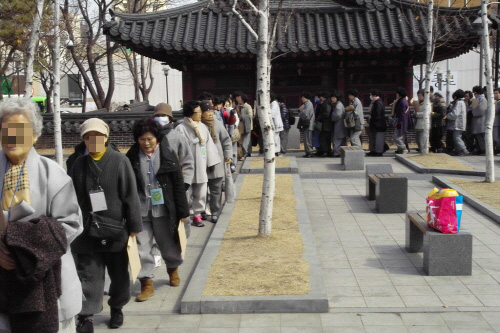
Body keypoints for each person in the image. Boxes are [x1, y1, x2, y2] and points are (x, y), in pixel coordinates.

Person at [0, 98, 83, 332]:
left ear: (35, 136)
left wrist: (19, 250)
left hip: (47, 286)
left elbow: (71, 225)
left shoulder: (54, 175)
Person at [69, 118, 142, 332]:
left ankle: (117, 307)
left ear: (106, 138)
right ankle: (87, 315)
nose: (93, 141)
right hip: (86, 229)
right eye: (88, 137)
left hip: (116, 229)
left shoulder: (120, 161)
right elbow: (70, 197)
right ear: (83, 140)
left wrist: (135, 226)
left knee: (119, 275)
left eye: (98, 137)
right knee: (89, 275)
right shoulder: (78, 164)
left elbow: (131, 196)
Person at [125, 118, 190, 302]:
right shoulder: (131, 156)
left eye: (150, 139)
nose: (146, 143)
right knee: (141, 247)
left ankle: (173, 268)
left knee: (168, 243)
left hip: (163, 208)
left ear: (158, 139)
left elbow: (177, 184)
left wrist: (183, 211)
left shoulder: (168, 154)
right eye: (142, 139)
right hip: (140, 209)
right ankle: (146, 282)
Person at [175, 101, 221, 227]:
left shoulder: (203, 127)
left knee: (201, 191)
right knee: (186, 191)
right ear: (190, 114)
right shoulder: (181, 128)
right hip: (186, 165)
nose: (200, 114)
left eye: (201, 112)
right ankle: (187, 213)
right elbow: (177, 147)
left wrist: (211, 162)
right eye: (197, 112)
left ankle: (197, 214)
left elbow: (209, 146)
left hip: (201, 163)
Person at [200, 101, 233, 223]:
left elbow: (226, 141)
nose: (209, 114)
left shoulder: (217, 124)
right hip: (202, 163)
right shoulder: (197, 125)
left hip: (217, 162)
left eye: (211, 111)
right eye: (206, 111)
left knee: (216, 190)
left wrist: (228, 155)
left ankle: (215, 211)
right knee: (201, 190)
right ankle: (202, 210)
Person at [153, 103, 194, 190]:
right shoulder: (149, 136)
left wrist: (185, 182)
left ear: (169, 118)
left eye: (163, 115)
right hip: (153, 179)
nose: (160, 118)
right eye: (158, 115)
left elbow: (187, 160)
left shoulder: (177, 136)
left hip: (173, 180)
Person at [444, 89, 468, 156]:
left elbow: (455, 114)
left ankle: (464, 149)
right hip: (459, 123)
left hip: (458, 123)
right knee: (457, 137)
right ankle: (459, 150)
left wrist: (447, 116)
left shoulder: (459, 103)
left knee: (456, 137)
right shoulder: (462, 102)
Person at [367, 89, 387, 156]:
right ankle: (374, 150)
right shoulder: (375, 102)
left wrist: (374, 121)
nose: (370, 96)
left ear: (374, 95)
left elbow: (378, 114)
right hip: (376, 124)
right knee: (374, 138)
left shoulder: (378, 102)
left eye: (371, 95)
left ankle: (378, 151)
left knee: (378, 139)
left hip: (378, 124)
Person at [392, 87, 411, 154]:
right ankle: (402, 149)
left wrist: (399, 122)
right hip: (401, 122)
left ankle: (404, 148)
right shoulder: (403, 101)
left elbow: (402, 114)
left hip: (400, 122)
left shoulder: (402, 102)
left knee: (396, 137)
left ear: (399, 94)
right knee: (400, 137)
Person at [234, 92, 253, 158]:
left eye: (240, 99)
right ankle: (245, 152)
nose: (238, 100)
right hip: (240, 127)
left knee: (246, 141)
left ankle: (246, 153)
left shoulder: (248, 106)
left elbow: (250, 116)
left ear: (243, 99)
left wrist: (242, 116)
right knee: (242, 141)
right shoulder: (238, 107)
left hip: (247, 126)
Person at [316, 91, 333, 157]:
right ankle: (328, 150)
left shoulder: (326, 104)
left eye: (321, 97)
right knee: (327, 138)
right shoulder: (328, 103)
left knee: (323, 138)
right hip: (328, 124)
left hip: (326, 124)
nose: (320, 98)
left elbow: (326, 114)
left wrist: (319, 117)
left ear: (324, 97)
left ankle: (325, 151)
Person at [471, 85, 487, 155]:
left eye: (475, 93)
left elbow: (481, 110)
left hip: (481, 121)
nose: (474, 95)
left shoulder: (483, 99)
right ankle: (479, 149)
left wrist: (473, 111)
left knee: (481, 137)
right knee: (477, 136)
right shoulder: (478, 99)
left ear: (477, 93)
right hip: (477, 121)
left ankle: (483, 150)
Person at [330, 90, 346, 158]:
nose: (332, 99)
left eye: (334, 98)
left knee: (337, 139)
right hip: (339, 125)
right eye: (332, 98)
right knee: (339, 139)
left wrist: (331, 115)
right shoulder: (338, 104)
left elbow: (337, 115)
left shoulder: (338, 106)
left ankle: (336, 153)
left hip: (339, 125)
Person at [299, 92, 315, 157]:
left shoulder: (308, 104)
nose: (302, 99)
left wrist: (300, 113)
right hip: (307, 123)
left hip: (309, 123)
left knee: (308, 138)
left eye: (303, 97)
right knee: (306, 138)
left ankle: (310, 152)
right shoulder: (307, 104)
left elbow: (305, 114)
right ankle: (308, 151)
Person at [494, 88, 500, 154]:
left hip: (497, 121)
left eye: (496, 93)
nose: (495, 95)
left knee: (496, 137)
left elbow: (496, 110)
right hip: (495, 121)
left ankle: (498, 149)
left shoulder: (498, 102)